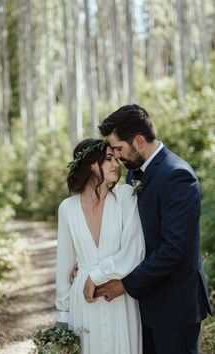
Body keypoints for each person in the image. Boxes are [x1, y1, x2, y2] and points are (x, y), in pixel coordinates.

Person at [94, 104, 212, 354]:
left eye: (118, 148)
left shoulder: (177, 176)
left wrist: (126, 284)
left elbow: (175, 249)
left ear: (137, 141)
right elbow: (128, 232)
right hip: (144, 302)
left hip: (175, 305)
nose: (116, 156)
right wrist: (91, 263)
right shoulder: (134, 173)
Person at [55, 138, 145, 354]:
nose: (116, 164)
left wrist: (95, 276)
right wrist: (63, 314)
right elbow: (64, 264)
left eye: (116, 158)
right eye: (107, 159)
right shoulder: (67, 208)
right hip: (84, 303)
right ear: (89, 164)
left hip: (119, 298)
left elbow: (135, 251)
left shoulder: (125, 196)